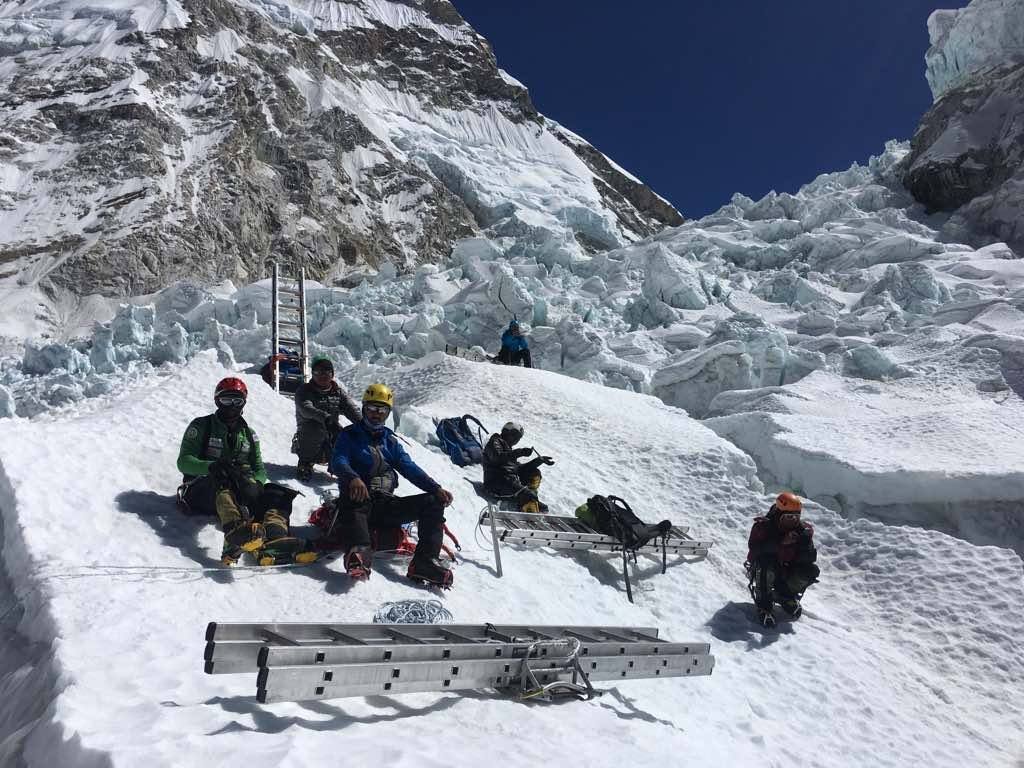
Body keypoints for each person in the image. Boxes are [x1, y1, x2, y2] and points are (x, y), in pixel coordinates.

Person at [176, 377, 314, 565]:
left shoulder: (249, 434)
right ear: (217, 400)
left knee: (276, 492)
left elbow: (258, 468)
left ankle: (275, 536)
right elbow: (184, 462)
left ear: (244, 403)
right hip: (201, 489)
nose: (232, 406)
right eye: (226, 400)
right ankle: (235, 531)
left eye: (237, 400)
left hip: (237, 490)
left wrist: (256, 484)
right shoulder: (201, 426)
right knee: (223, 478)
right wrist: (210, 466)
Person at [329, 383, 456, 586]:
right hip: (357, 503)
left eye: (382, 410)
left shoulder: (390, 441)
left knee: (432, 502)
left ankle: (424, 563)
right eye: (372, 408)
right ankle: (359, 553)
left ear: (388, 413)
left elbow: (409, 468)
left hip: (384, 505)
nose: (376, 414)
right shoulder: (349, 435)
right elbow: (338, 460)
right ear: (364, 409)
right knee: (355, 499)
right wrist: (353, 477)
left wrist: (435, 488)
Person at [745, 492, 820, 628]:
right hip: (763, 569)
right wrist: (780, 543)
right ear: (779, 515)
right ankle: (764, 604)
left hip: (786, 571)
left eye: (795, 517)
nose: (792, 521)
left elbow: (809, 559)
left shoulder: (802, 531)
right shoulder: (763, 527)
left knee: (810, 570)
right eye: (788, 517)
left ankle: (785, 596)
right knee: (766, 562)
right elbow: (755, 549)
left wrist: (803, 544)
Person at [292, 355, 360, 480]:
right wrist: (326, 418)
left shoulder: (338, 392)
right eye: (318, 372)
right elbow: (306, 409)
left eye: (326, 371)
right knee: (314, 428)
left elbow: (351, 409)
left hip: (331, 430)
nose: (322, 375)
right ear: (312, 374)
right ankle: (305, 463)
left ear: (332, 374)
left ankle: (338, 464)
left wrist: (364, 424)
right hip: (309, 433)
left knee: (348, 435)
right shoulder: (304, 390)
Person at [482, 421, 553, 513]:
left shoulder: (508, 449)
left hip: (507, 481)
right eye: (514, 435)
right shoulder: (495, 442)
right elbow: (498, 457)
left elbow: (518, 469)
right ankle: (529, 506)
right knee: (529, 496)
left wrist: (539, 460)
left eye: (518, 437)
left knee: (534, 472)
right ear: (506, 432)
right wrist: (520, 452)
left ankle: (530, 499)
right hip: (496, 483)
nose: (516, 439)